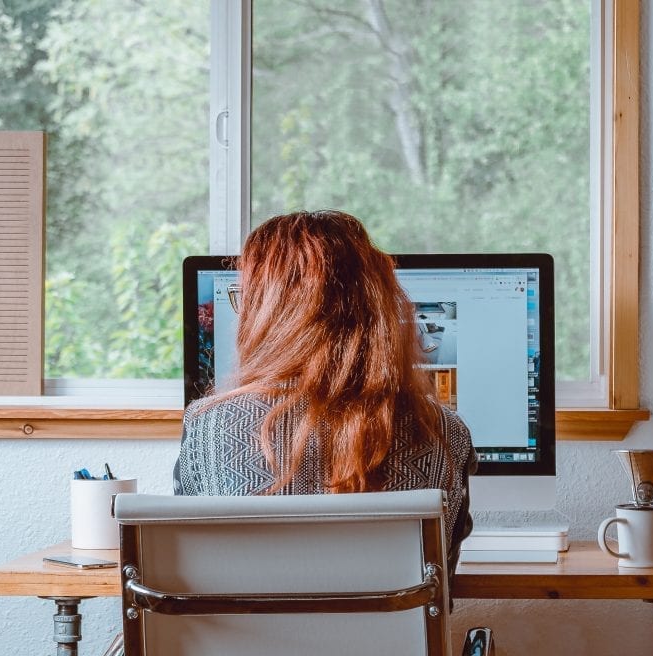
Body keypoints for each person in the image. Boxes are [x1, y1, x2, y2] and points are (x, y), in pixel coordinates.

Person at [173, 210, 477, 570]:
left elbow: (197, 564)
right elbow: (441, 582)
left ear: (266, 312)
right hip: (388, 628)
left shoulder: (209, 425)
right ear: (378, 308)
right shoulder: (444, 431)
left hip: (248, 627)